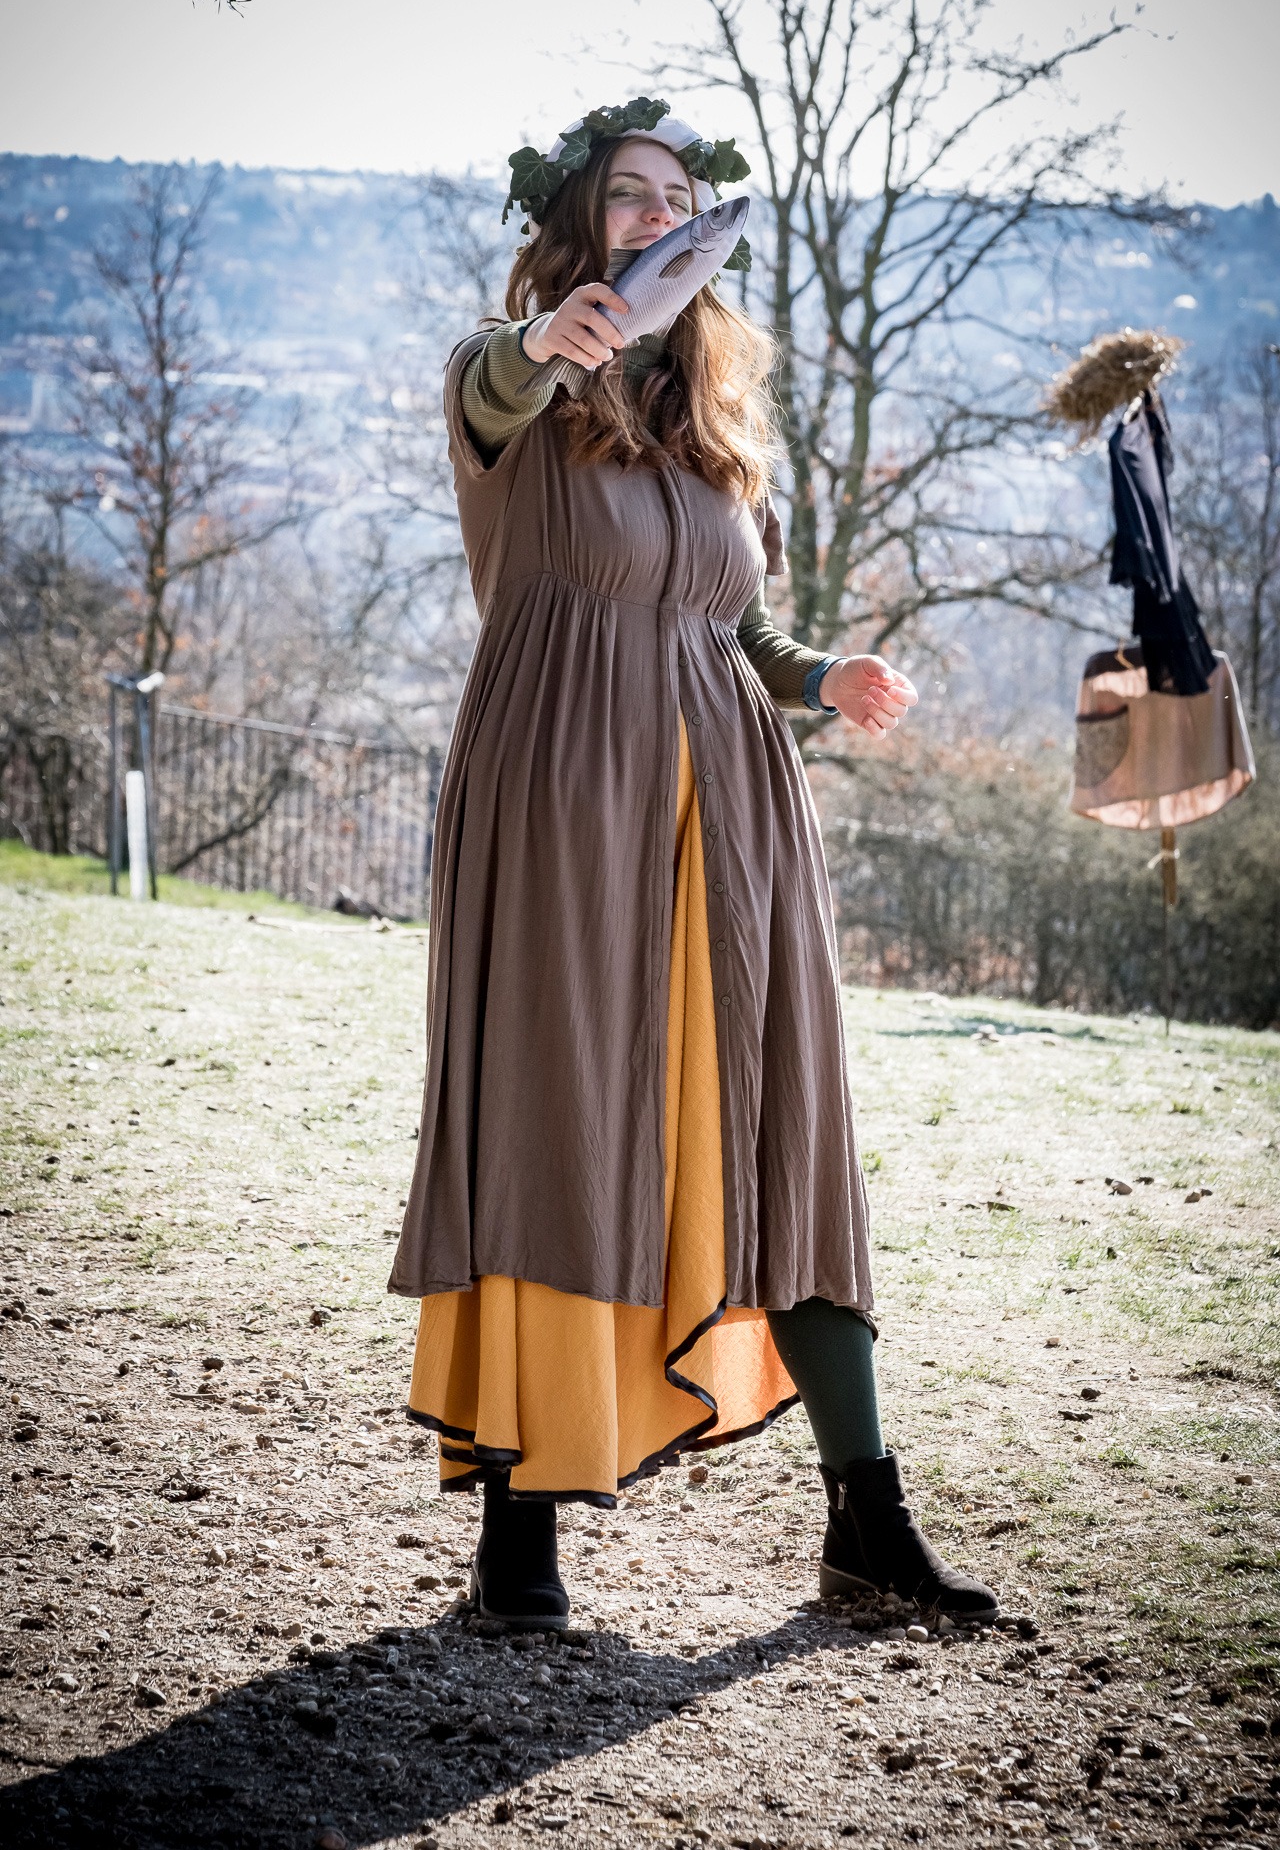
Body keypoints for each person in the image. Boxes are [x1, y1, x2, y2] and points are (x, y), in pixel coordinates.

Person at [389, 99, 997, 1633]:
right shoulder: (508, 377)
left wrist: (821, 676)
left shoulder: (721, 424)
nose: (658, 215)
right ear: (579, 223)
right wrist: (553, 342)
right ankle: (520, 1529)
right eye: (628, 194)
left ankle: (869, 1521)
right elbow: (500, 379)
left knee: (790, 1126)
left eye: (679, 196)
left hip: (735, 810)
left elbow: (732, 621)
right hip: (562, 797)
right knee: (559, 1117)